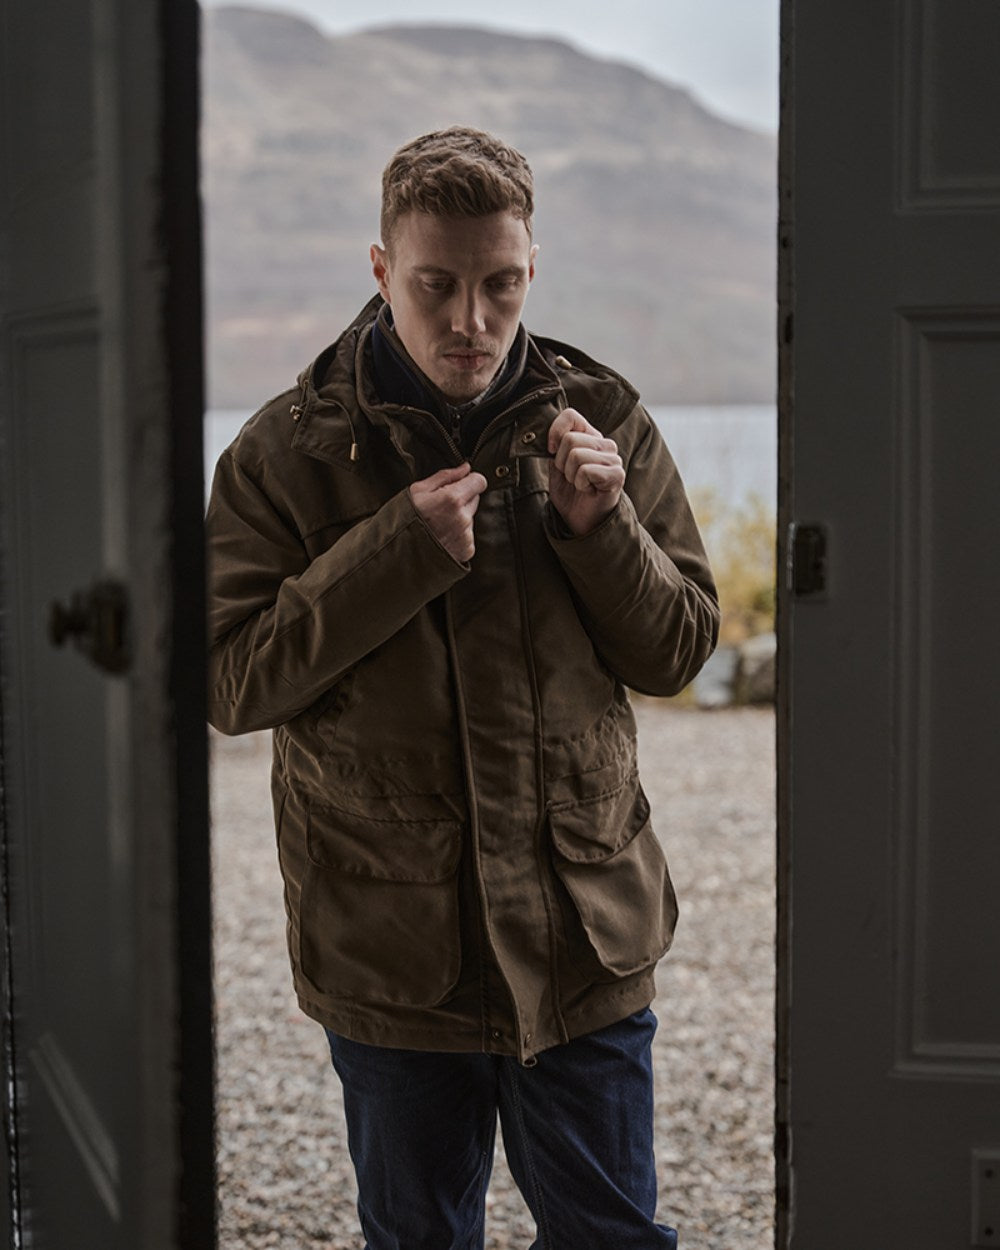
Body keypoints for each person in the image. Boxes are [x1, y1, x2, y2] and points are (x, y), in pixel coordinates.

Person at [206, 126, 719, 1249]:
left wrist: (605, 529)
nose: (470, 320)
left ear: (531, 268)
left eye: (499, 284)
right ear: (382, 267)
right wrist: (394, 550)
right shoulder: (285, 452)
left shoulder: (607, 418)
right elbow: (229, 680)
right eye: (436, 284)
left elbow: (679, 648)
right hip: (392, 949)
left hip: (582, 937)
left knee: (611, 1236)